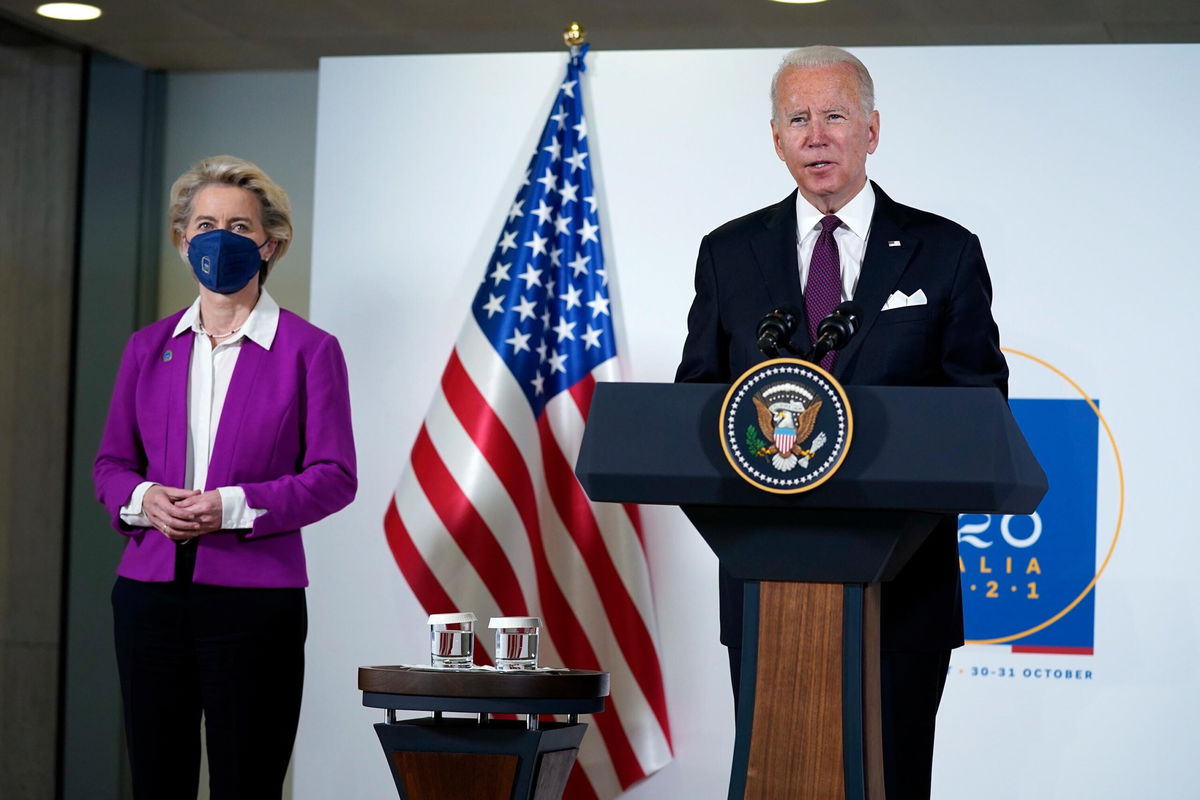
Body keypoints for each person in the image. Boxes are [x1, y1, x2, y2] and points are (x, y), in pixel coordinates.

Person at [675, 46, 1007, 799]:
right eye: (798, 119)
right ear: (776, 138)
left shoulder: (945, 252)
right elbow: (696, 400)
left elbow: (979, 405)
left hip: (902, 589)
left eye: (834, 116)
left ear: (872, 129)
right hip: (767, 579)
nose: (816, 135)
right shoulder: (728, 255)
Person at [93, 155, 357, 799]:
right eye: (205, 224)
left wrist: (232, 507)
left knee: (248, 782)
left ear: (270, 244)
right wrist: (144, 498)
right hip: (148, 598)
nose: (220, 239)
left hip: (254, 603)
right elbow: (110, 466)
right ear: (183, 242)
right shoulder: (145, 347)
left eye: (239, 227)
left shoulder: (309, 350)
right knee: (158, 781)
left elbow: (334, 475)